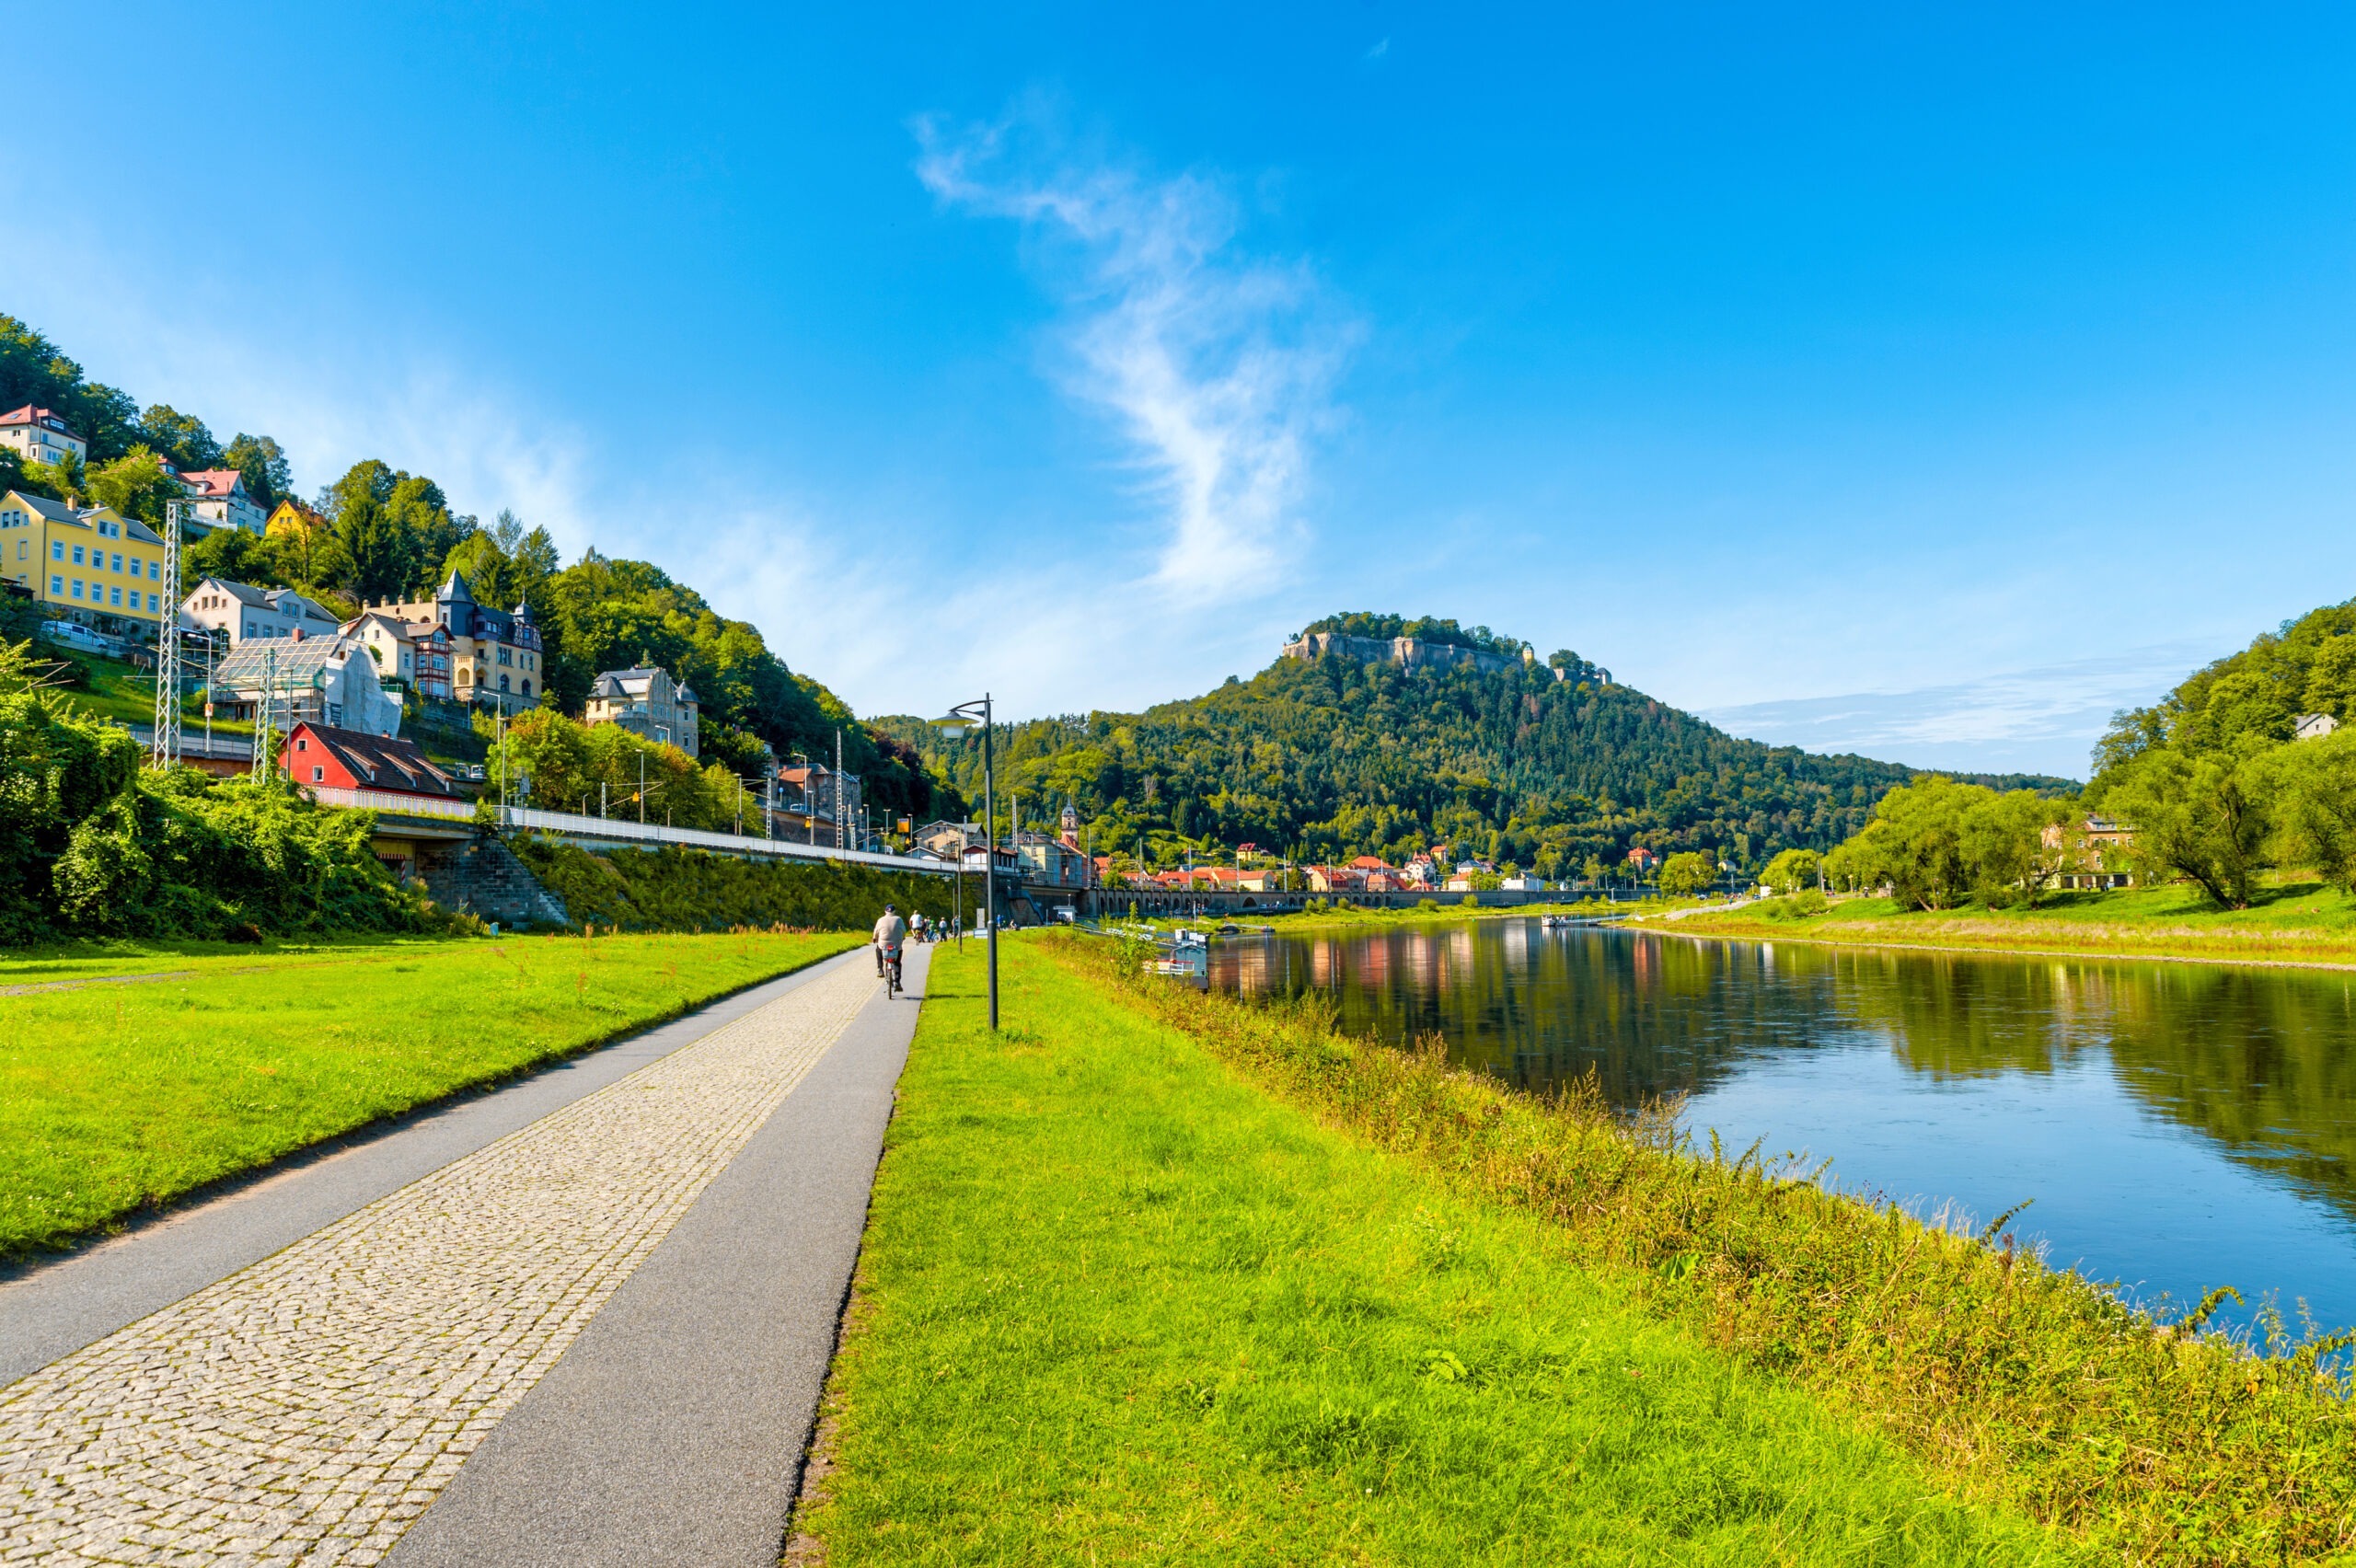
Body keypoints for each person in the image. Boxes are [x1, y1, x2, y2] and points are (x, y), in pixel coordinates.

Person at [873, 903, 907, 982]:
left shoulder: (880, 920)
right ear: (894, 911)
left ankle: (880, 969)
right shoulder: (899, 919)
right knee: (897, 962)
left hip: (883, 945)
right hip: (896, 945)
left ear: (885, 911)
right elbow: (904, 930)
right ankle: (898, 981)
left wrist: (875, 938)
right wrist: (903, 937)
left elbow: (876, 931)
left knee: (878, 950)